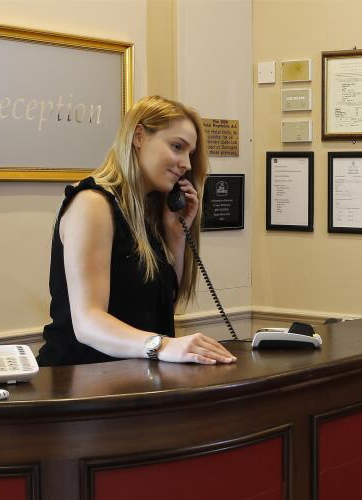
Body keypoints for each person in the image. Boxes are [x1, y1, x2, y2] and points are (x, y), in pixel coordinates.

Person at [37, 95, 236, 366]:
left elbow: (160, 308)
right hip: (79, 377)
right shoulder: (93, 203)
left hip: (133, 376)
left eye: (190, 154)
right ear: (139, 136)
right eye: (177, 147)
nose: (187, 164)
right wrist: (163, 345)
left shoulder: (148, 214)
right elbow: (88, 323)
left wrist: (176, 233)